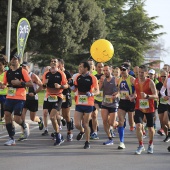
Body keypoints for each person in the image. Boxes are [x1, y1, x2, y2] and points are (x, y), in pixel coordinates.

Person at [0, 54, 32, 146]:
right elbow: (4, 84)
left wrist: (20, 83)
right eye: (12, 59)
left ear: (19, 61)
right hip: (10, 97)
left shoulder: (23, 71)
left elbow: (30, 83)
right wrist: (1, 85)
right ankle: (11, 138)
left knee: (17, 119)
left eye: (15, 59)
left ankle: (24, 126)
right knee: (7, 116)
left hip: (20, 97)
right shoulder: (7, 72)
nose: (13, 60)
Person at [73, 61, 99, 149]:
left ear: (86, 68)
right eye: (79, 66)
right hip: (79, 102)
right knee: (77, 124)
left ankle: (87, 142)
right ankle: (82, 131)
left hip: (89, 103)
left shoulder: (93, 78)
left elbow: (97, 91)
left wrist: (91, 94)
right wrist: (71, 87)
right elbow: (75, 88)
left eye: (81, 67)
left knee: (85, 123)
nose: (79, 68)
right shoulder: (78, 77)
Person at [42, 58, 68, 146]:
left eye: (55, 62)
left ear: (57, 64)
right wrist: (44, 84)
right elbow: (43, 87)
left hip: (58, 97)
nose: (53, 63)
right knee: (53, 118)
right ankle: (58, 135)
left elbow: (66, 85)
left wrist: (60, 86)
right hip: (49, 97)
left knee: (52, 117)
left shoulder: (61, 73)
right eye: (52, 61)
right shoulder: (46, 74)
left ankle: (57, 136)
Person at [134, 65, 158, 155]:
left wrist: (148, 96)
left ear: (146, 73)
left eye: (142, 72)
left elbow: (156, 96)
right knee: (139, 126)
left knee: (150, 128)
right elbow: (135, 93)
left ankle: (151, 144)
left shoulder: (150, 82)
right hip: (138, 107)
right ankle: (141, 145)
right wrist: (132, 96)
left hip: (149, 108)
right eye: (139, 72)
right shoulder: (136, 81)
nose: (140, 74)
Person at [18, 61, 44, 141]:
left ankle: (39, 120)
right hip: (23, 98)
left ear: (28, 67)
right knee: (22, 116)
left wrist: (34, 92)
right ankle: (24, 133)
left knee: (33, 118)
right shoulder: (20, 76)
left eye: (25, 67)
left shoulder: (33, 76)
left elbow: (41, 86)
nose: (23, 69)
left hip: (33, 99)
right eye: (22, 67)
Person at [99, 64, 119, 145]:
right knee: (104, 121)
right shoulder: (103, 79)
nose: (105, 72)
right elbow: (99, 89)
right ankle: (110, 138)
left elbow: (120, 91)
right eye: (104, 70)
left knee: (111, 123)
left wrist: (117, 95)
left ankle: (118, 123)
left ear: (111, 70)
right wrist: (100, 82)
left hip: (113, 104)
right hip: (105, 103)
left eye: (107, 70)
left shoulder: (115, 80)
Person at [117, 63, 135, 149]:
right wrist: (116, 94)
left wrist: (132, 96)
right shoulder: (119, 79)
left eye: (124, 70)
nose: (122, 71)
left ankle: (139, 129)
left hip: (130, 102)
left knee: (131, 123)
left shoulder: (132, 79)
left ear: (128, 70)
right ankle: (121, 142)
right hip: (122, 102)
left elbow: (137, 90)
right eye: (121, 70)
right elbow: (119, 90)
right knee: (121, 121)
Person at [58, 58, 74, 141]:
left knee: (66, 116)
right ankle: (57, 133)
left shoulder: (67, 73)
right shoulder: (55, 73)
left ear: (62, 65)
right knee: (56, 114)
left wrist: (64, 85)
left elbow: (71, 83)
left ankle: (69, 132)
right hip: (56, 96)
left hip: (65, 96)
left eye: (59, 65)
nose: (57, 66)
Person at [90, 62, 104, 140]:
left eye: (101, 67)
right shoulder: (94, 77)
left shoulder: (106, 76)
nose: (100, 68)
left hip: (105, 99)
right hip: (96, 99)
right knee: (94, 115)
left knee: (108, 119)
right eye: (99, 67)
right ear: (96, 67)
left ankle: (112, 128)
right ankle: (95, 132)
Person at [0, 54, 7, 122]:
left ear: (4, 65)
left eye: (0, 65)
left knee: (3, 107)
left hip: (5, 93)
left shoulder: (6, 73)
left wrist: (4, 85)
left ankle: (2, 117)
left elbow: (8, 83)